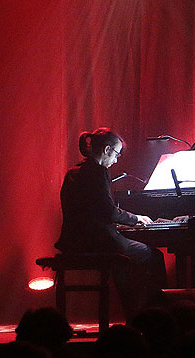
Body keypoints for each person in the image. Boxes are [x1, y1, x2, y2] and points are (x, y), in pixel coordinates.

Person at [56, 128, 166, 316]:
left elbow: (89, 212)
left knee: (123, 260)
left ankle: (134, 313)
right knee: (152, 256)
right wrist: (136, 218)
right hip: (97, 241)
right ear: (107, 150)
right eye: (116, 154)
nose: (116, 160)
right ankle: (155, 314)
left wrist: (115, 224)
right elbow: (108, 211)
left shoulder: (73, 172)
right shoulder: (98, 172)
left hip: (73, 242)